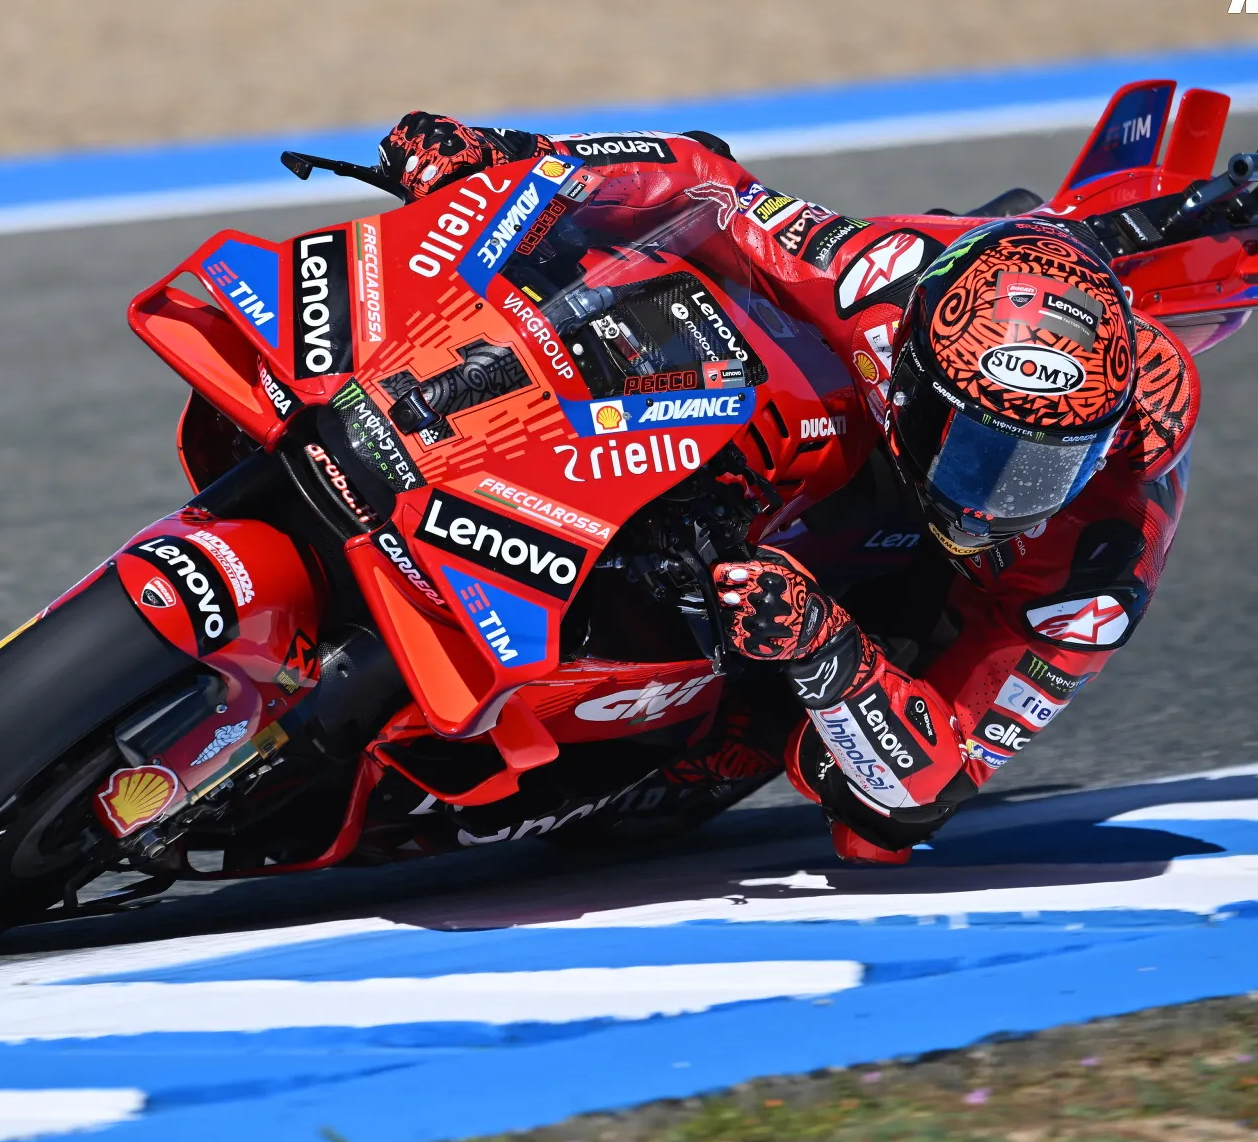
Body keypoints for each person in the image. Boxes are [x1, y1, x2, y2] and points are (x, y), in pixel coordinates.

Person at [374, 112, 1200, 863]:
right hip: (802, 432)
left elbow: (913, 803)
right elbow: (710, 183)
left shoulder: (1102, 564)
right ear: (914, 371)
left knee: (815, 777)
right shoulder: (881, 279)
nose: (993, 497)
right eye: (976, 450)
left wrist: (825, 650)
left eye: (1046, 466)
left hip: (864, 624)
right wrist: (513, 162)